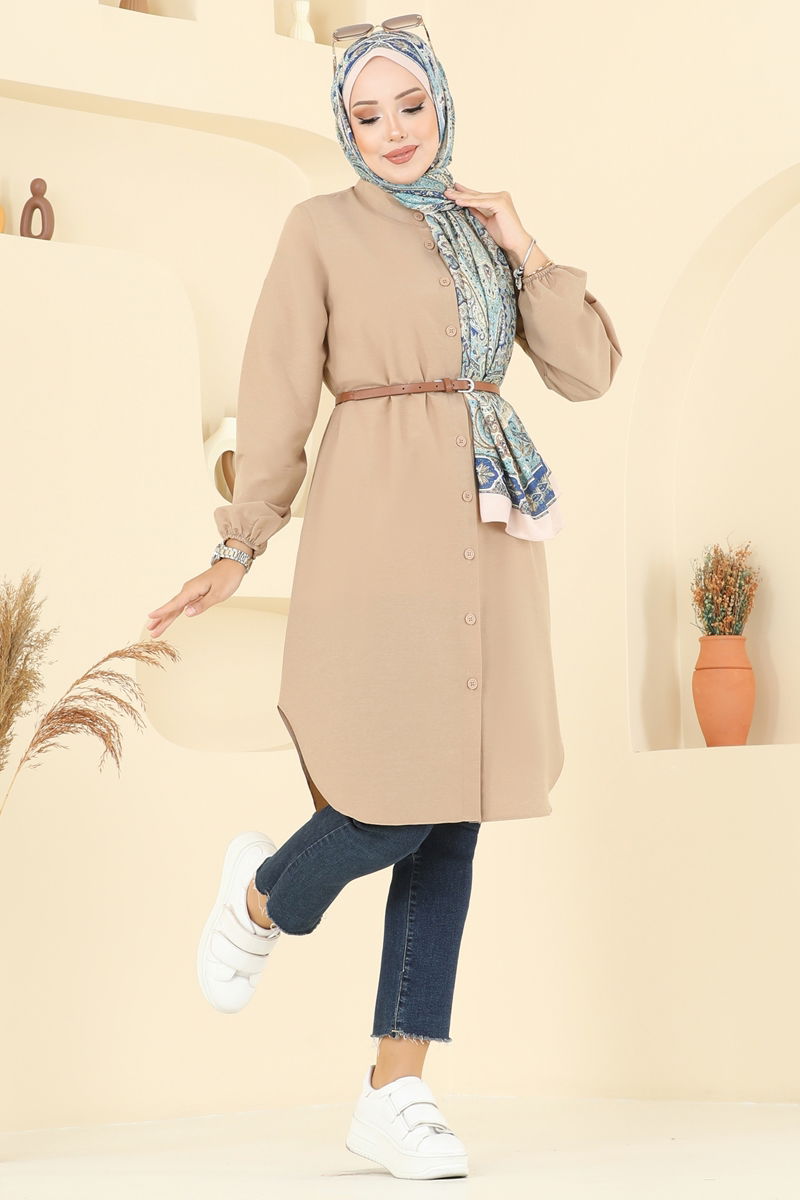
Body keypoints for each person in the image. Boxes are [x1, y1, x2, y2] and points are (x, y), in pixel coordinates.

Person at [146, 16, 622, 1182]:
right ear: (344, 126)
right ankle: (264, 897)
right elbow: (274, 389)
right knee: (387, 802)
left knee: (451, 818)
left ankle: (393, 1092)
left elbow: (586, 371)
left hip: (486, 533)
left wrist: (522, 242)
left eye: (410, 106)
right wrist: (239, 543)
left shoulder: (484, 235)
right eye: (368, 115)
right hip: (375, 531)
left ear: (441, 105)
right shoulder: (317, 230)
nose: (394, 131)